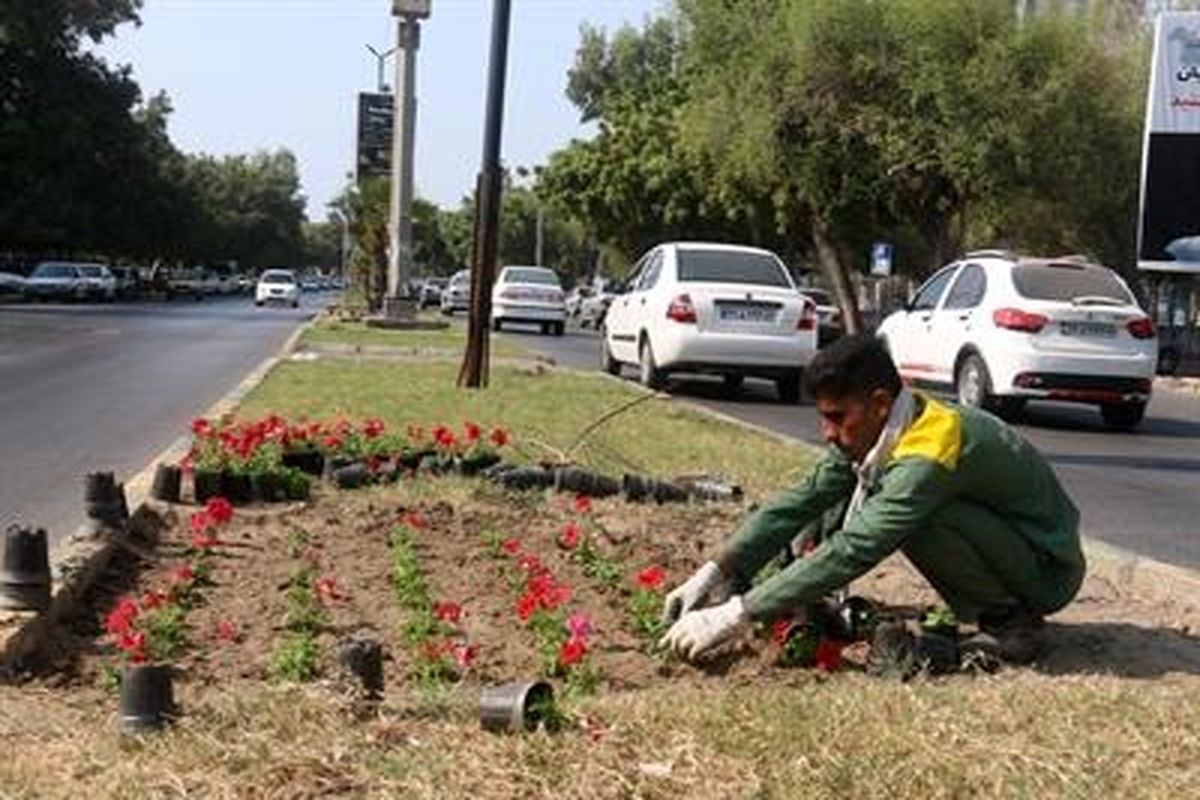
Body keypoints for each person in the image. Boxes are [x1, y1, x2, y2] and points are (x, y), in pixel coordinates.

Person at [659, 333, 1085, 667]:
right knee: (832, 491)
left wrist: (736, 614)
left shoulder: (929, 453)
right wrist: (715, 571)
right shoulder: (893, 424)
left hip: (1046, 570)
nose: (827, 432)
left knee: (920, 517)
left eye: (836, 417)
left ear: (880, 403)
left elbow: (856, 548)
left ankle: (1013, 625)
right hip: (1013, 545)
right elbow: (800, 501)